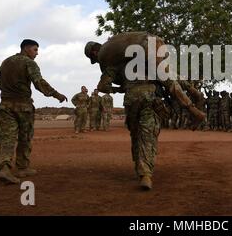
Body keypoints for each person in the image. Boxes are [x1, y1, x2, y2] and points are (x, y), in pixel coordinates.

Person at [84, 32, 205, 190]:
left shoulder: (113, 63)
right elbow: (171, 78)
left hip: (132, 99)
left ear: (94, 53)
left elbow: (102, 87)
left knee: (136, 135)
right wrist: (190, 90)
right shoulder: (148, 59)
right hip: (150, 96)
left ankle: (142, 172)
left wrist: (120, 88)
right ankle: (146, 173)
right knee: (148, 135)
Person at [0, 39, 67, 184]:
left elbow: (0, 82)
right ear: (26, 49)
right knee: (25, 137)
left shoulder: (5, 62)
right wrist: (56, 94)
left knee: (7, 137)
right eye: (35, 50)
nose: (37, 53)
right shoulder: (29, 63)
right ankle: (22, 167)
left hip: (5, 105)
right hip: (23, 107)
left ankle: (5, 168)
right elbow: (39, 82)